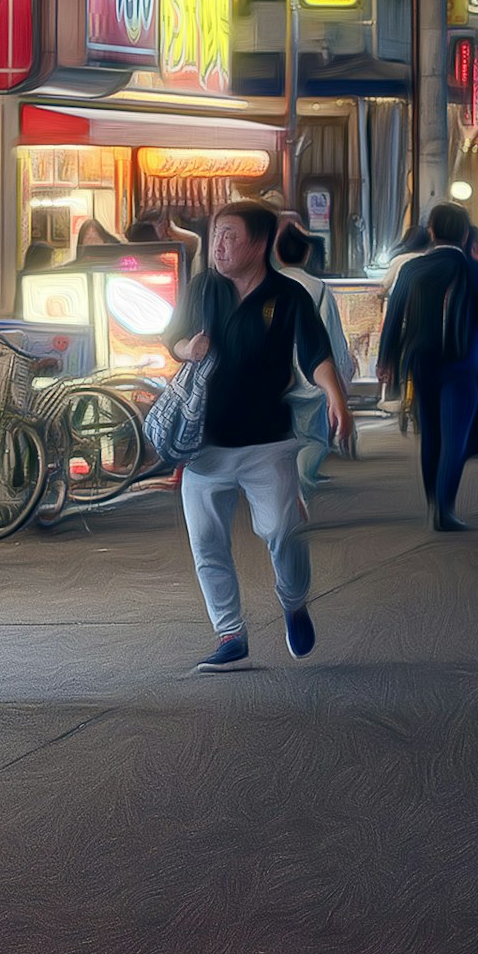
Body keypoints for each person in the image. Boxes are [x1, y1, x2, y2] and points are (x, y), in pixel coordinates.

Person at [168, 199, 342, 667]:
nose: (219, 246)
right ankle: (230, 635)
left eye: (230, 236)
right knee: (206, 543)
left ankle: (293, 600)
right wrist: (188, 348)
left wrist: (336, 398)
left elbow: (316, 355)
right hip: (205, 443)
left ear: (260, 244)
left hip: (267, 443)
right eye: (216, 235)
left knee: (284, 532)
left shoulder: (288, 297)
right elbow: (173, 337)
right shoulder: (203, 287)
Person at [377, 202, 478, 535]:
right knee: (456, 436)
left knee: (431, 435)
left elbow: (394, 316)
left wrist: (386, 359)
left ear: (432, 232)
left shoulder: (412, 269)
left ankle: (432, 503)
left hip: (421, 361)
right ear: (466, 233)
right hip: (465, 362)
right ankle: (445, 507)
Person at [268, 212, 360, 499]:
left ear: (277, 254)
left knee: (279, 443)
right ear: (307, 254)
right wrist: (341, 375)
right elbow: (330, 336)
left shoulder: (265, 285)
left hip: (271, 377)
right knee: (315, 441)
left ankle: (281, 493)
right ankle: (298, 490)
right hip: (309, 377)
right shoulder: (317, 288)